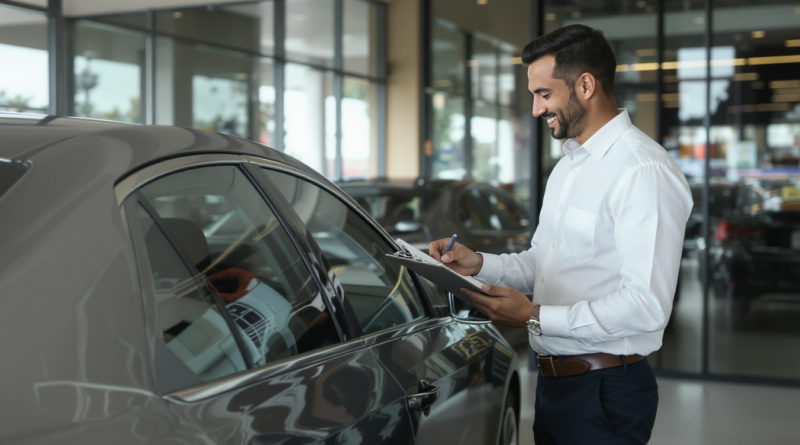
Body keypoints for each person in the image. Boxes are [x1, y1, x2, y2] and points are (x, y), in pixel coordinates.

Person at [429, 24, 693, 445]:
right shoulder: (569, 166)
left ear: (585, 85)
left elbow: (646, 305)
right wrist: (479, 263)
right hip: (555, 385)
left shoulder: (644, 171)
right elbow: (541, 263)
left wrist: (533, 316)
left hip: (607, 389)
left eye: (544, 94)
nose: (536, 110)